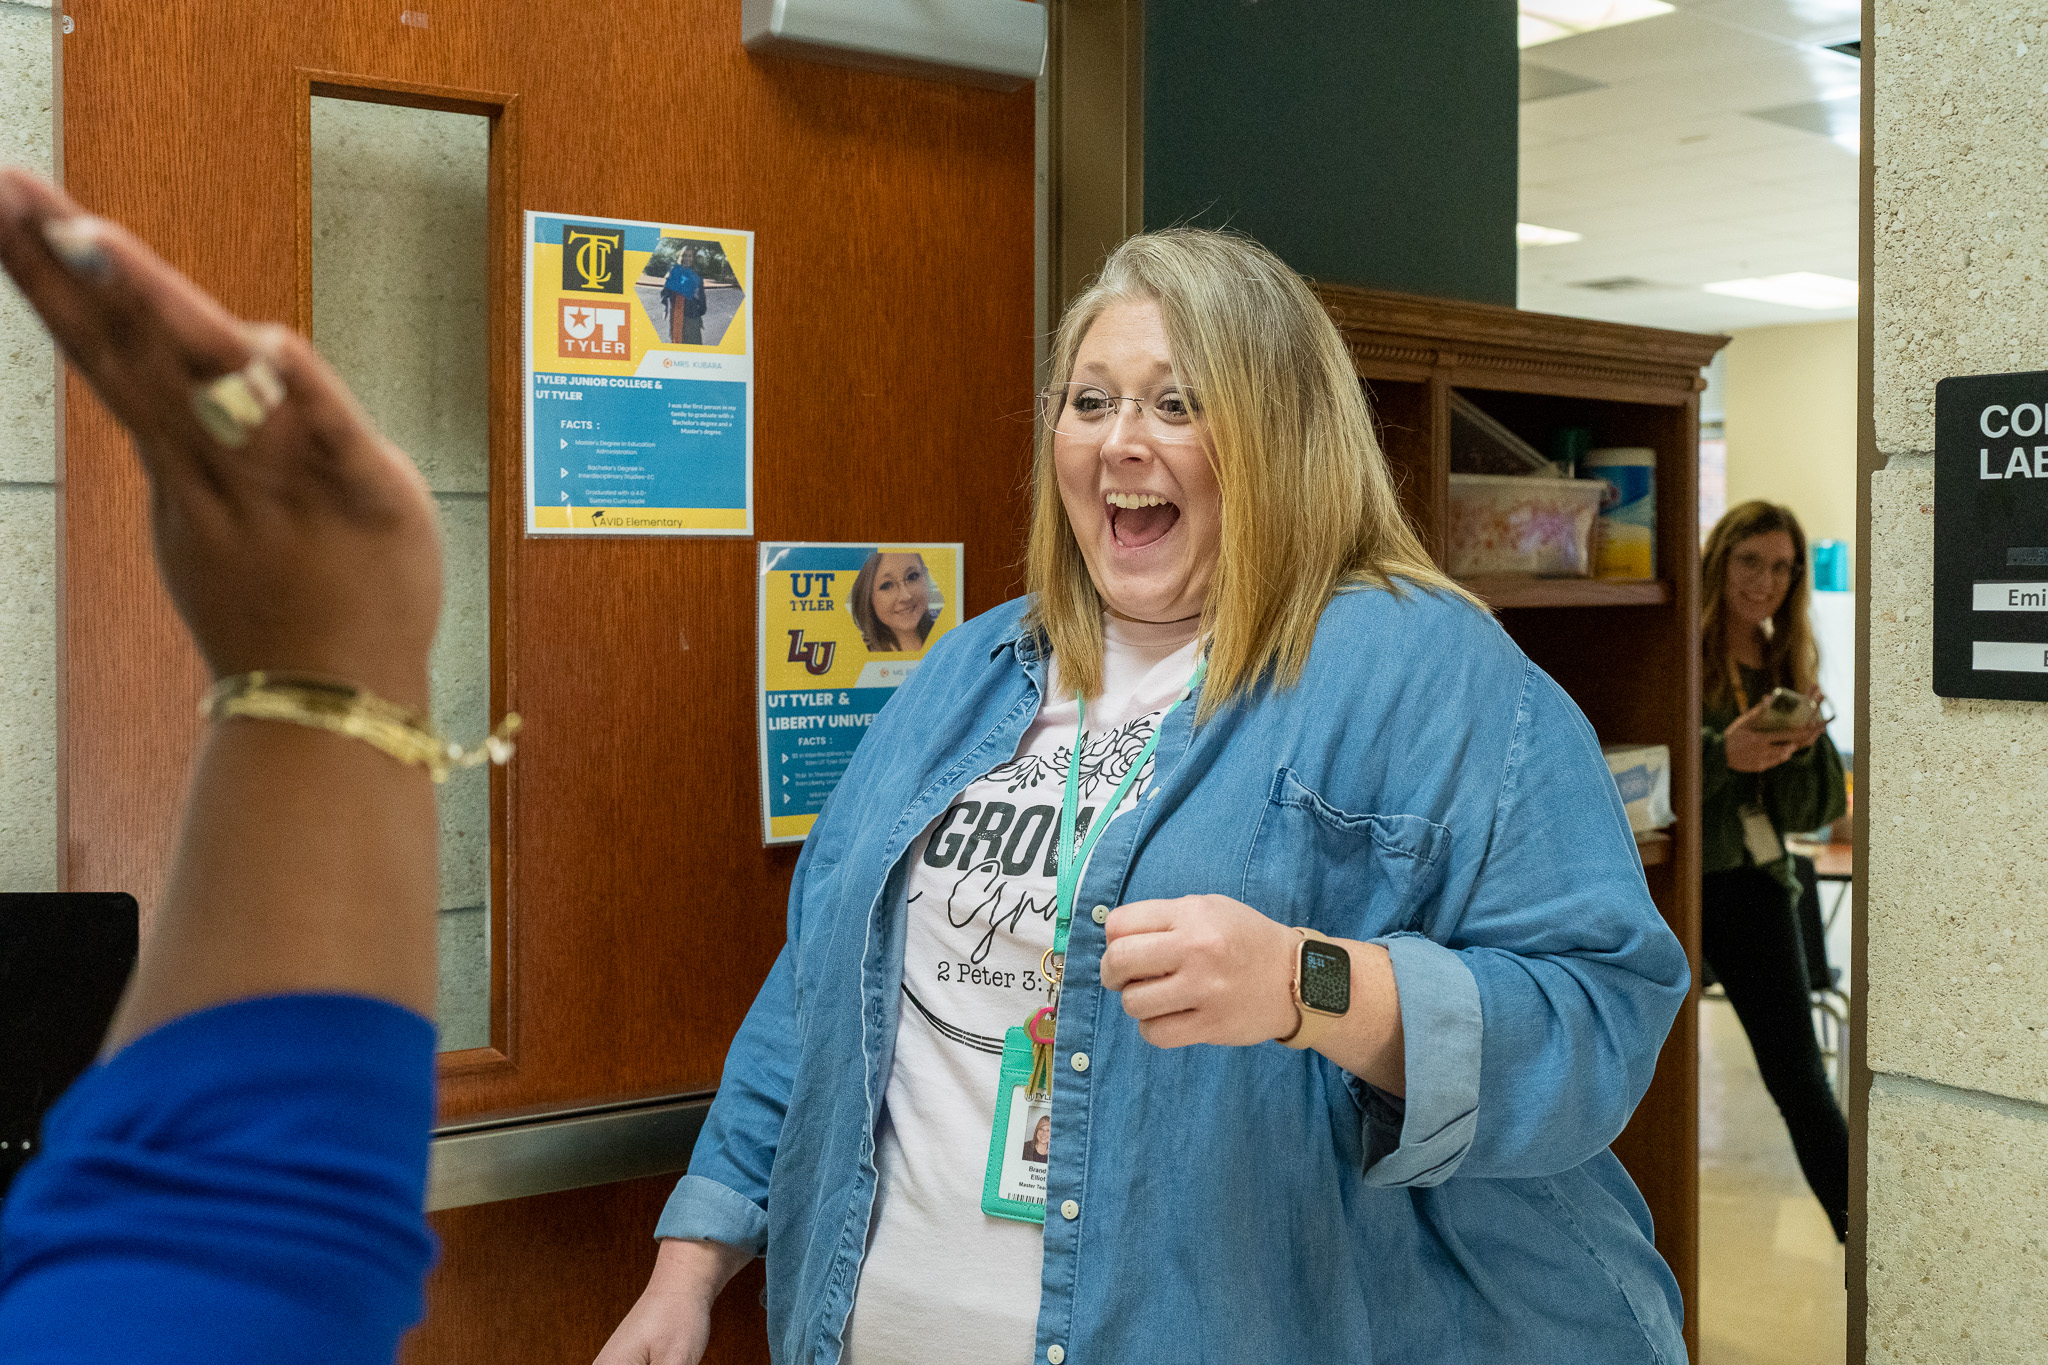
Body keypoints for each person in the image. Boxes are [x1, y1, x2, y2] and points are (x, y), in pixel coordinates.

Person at [595, 228, 1690, 1365]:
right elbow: (820, 986)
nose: (1121, 442)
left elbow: (1597, 1019)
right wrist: (692, 1266)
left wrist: (1303, 983)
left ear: (1279, 436)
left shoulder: (1430, 674)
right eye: (1090, 401)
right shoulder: (964, 674)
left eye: (1176, 405)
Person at [0, 167, 460, 1361]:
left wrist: (319, 654)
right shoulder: (947, 690)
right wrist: (324, 654)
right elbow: (221, 1250)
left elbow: (215, 1246)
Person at [1700, 500, 1850, 1241]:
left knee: (1802, 1082)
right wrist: (1717, 755)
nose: (1765, 581)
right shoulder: (1678, 650)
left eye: (1782, 568)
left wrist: (1808, 739)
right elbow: (1635, 776)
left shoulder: (1783, 661)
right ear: (1721, 560)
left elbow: (1809, 810)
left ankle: (1869, 1252)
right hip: (1675, 888)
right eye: (1751, 561)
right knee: (1637, 1078)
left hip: (1757, 886)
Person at [848, 550, 936, 652]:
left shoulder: (947, 636)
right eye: (887, 585)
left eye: (912, 576)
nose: (906, 596)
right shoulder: (856, 653)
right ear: (867, 598)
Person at [662, 249, 706, 346]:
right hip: (677, 311)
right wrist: (665, 308)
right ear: (680, 257)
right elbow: (666, 290)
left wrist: (700, 312)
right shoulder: (675, 272)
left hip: (692, 313)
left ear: (693, 258)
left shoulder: (696, 274)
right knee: (678, 340)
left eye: (689, 256)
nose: (687, 258)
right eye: (684, 255)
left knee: (693, 341)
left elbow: (701, 295)